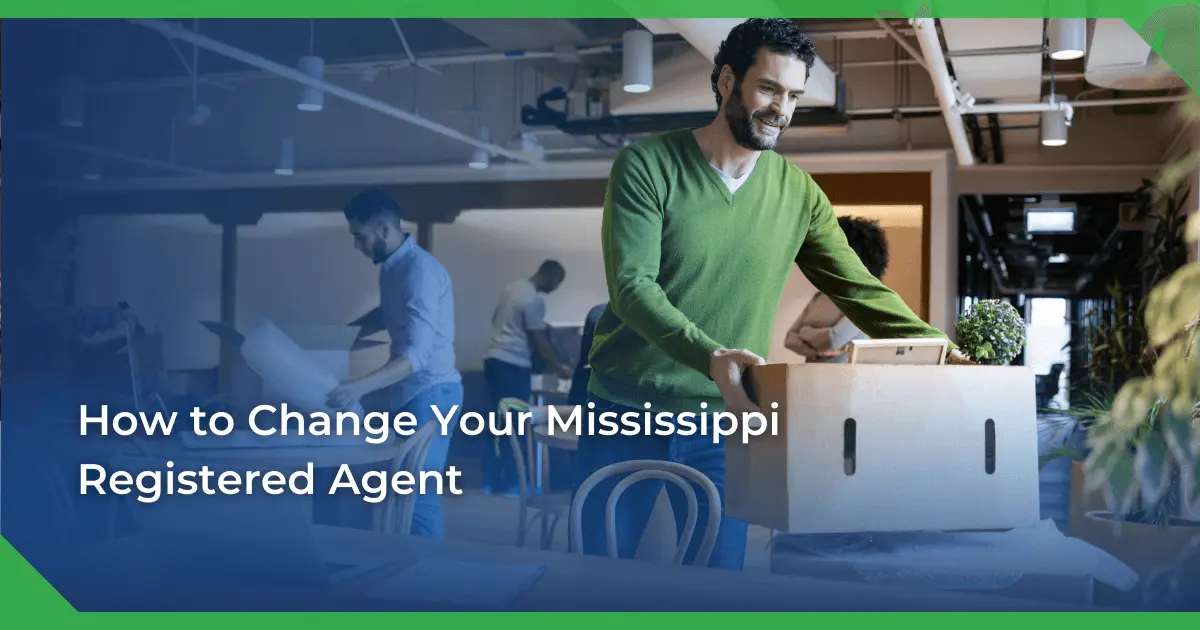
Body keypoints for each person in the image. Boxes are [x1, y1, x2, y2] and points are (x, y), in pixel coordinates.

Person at [579, 18, 975, 570]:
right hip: (624, 406)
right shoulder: (648, 166)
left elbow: (858, 288)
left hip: (725, 416)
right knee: (598, 574)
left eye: (793, 95)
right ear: (726, 81)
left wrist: (936, 346)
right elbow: (631, 287)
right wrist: (709, 356)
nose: (780, 109)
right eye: (768, 88)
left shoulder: (799, 194)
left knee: (719, 580)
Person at [328, 188, 463, 539]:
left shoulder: (420, 272)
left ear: (385, 229)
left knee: (418, 498)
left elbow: (416, 356)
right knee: (402, 492)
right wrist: (340, 336)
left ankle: (428, 582)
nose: (357, 245)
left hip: (433, 392)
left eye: (360, 236)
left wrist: (357, 387)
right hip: (410, 392)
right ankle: (407, 572)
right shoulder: (392, 269)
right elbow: (387, 315)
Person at [480, 260, 573, 496]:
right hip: (513, 365)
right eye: (558, 281)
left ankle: (489, 482)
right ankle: (514, 484)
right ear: (548, 274)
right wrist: (560, 369)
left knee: (497, 424)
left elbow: (495, 320)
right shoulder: (534, 300)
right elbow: (539, 343)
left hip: (493, 360)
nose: (557, 287)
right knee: (518, 425)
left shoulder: (511, 288)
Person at [785, 216, 890, 362]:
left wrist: (804, 332)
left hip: (844, 379)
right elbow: (790, 339)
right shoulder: (819, 296)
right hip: (810, 377)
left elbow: (835, 339)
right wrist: (818, 350)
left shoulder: (863, 300)